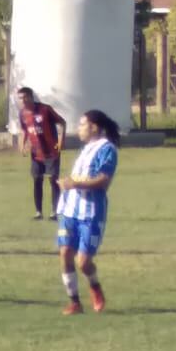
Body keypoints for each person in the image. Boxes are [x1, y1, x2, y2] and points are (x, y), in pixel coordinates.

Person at [55, 110, 120, 316]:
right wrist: (68, 184)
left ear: (94, 127)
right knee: (65, 253)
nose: (79, 128)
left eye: (82, 124)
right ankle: (74, 302)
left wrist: (74, 183)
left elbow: (103, 180)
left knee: (83, 262)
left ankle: (95, 287)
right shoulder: (85, 149)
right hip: (70, 210)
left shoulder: (107, 149)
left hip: (91, 213)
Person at [17, 87, 67, 220]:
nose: (22, 101)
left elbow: (62, 122)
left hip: (52, 151)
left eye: (24, 97)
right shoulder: (22, 114)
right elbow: (24, 130)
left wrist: (61, 141)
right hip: (36, 153)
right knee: (37, 180)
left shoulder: (45, 109)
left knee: (53, 180)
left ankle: (54, 212)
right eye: (20, 98)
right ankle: (38, 212)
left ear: (30, 97)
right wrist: (22, 145)